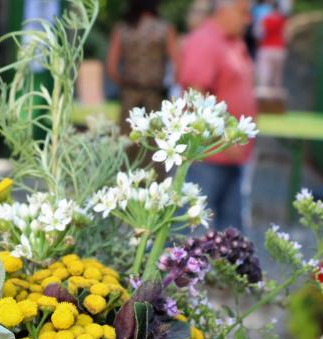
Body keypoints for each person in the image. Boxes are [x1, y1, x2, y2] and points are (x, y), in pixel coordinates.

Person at [178, 0, 255, 231]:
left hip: (229, 155)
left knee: (229, 231)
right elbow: (193, 99)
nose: (248, 20)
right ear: (225, 10)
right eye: (244, 13)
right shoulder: (205, 42)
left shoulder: (232, 41)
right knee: (195, 229)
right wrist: (220, 141)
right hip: (210, 155)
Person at [106, 0, 179, 135]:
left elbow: (111, 67)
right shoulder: (165, 28)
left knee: (127, 139)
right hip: (155, 94)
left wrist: (124, 84)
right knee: (155, 139)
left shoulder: (122, 28)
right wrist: (168, 88)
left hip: (129, 94)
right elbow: (178, 66)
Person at [255, 1, 288, 95]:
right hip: (279, 49)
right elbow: (286, 35)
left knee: (265, 75)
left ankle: (264, 100)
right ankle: (276, 101)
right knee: (277, 78)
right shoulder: (282, 20)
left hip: (266, 48)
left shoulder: (266, 19)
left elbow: (259, 33)